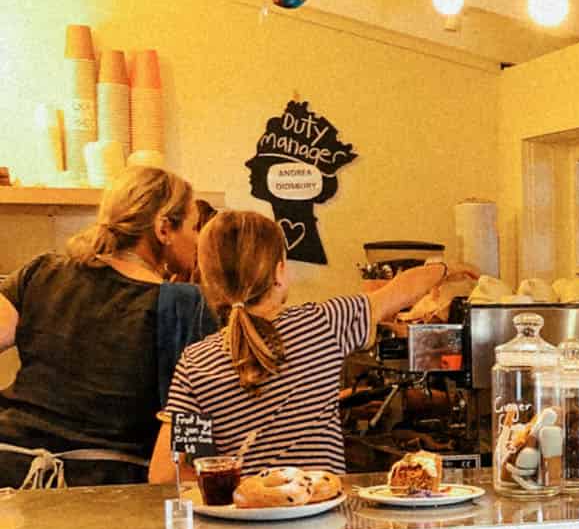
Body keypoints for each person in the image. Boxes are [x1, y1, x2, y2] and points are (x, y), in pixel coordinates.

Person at [150, 210, 459, 479]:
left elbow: (166, 472)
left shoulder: (195, 362)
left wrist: (236, 492)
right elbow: (399, 292)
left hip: (243, 521)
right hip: (322, 517)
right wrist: (445, 269)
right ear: (279, 273)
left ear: (210, 282)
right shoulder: (324, 324)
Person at [0, 165, 210, 487]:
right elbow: (190, 426)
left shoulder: (43, 271)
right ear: (164, 228)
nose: (198, 241)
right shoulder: (186, 306)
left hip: (10, 471)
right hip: (109, 490)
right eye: (194, 228)